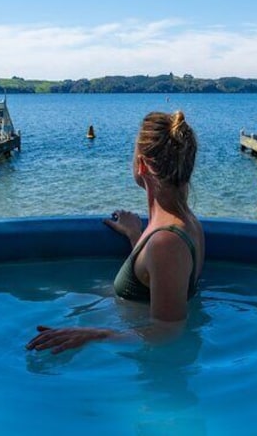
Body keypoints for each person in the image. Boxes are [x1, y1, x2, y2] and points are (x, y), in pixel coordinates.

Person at [27, 111, 204, 354]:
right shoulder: (185, 224)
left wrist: (96, 335)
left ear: (141, 165)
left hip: (151, 376)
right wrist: (137, 237)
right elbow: (155, 283)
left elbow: (169, 331)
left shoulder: (166, 242)